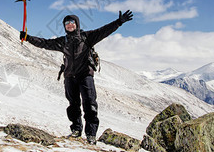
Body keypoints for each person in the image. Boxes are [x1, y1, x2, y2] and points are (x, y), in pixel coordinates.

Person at [19, 10, 133, 145]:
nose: (69, 25)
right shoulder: (63, 41)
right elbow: (44, 43)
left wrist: (119, 22)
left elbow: (104, 30)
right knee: (73, 106)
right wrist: (28, 37)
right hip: (69, 77)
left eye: (72, 22)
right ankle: (76, 131)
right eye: (66, 23)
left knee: (90, 104)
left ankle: (91, 134)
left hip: (85, 75)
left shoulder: (87, 37)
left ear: (77, 24)